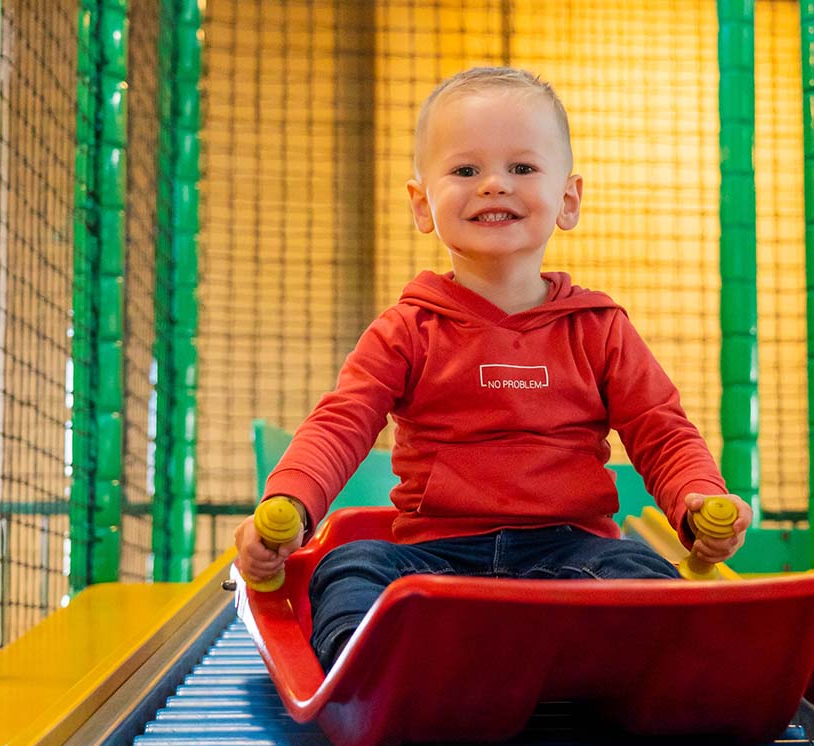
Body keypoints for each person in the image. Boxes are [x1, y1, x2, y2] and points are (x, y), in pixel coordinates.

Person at [235, 66, 752, 671]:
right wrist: (292, 503)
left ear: (568, 199)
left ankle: (624, 671)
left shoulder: (599, 329)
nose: (493, 186)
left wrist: (697, 500)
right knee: (348, 567)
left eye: (523, 168)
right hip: (435, 559)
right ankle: (378, 671)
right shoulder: (408, 329)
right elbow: (341, 423)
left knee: (643, 573)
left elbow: (660, 428)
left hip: (573, 554)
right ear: (423, 204)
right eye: (465, 170)